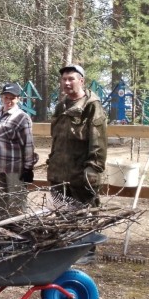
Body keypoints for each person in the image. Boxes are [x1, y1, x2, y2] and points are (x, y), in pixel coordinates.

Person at [47, 64, 107, 206]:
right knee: (61, 221)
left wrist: (92, 171)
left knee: (84, 221)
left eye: (71, 79)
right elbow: (56, 139)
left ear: (81, 81)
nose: (66, 83)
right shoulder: (61, 107)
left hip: (80, 179)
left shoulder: (91, 106)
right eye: (64, 79)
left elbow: (98, 141)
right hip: (58, 177)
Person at [0, 82, 38, 217]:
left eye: (12, 97)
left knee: (15, 204)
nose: (9, 100)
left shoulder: (22, 117)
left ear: (18, 99)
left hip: (14, 168)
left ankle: (19, 234)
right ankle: (0, 233)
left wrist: (28, 168)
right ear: (1, 97)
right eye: (6, 97)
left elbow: (28, 144)